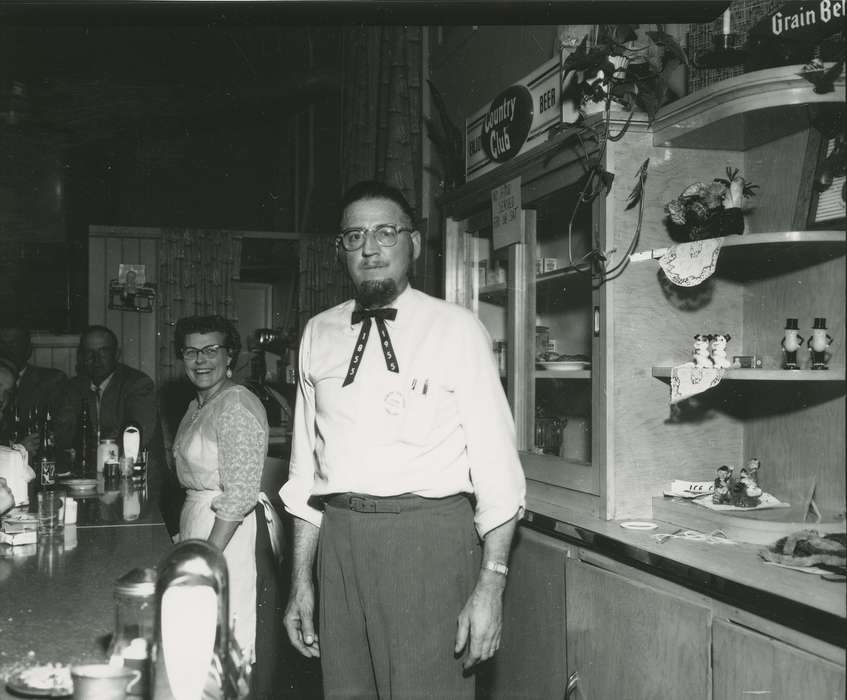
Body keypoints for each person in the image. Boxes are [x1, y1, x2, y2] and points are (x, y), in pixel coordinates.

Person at [280, 180, 526, 699]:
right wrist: (301, 581)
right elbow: (305, 475)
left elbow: (499, 473)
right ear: (341, 249)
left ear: (412, 243)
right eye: (353, 236)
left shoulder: (457, 329)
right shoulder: (317, 334)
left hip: (429, 544)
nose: (369, 248)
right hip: (340, 546)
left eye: (385, 232)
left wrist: (492, 583)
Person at [171, 314, 268, 662]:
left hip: (226, 534)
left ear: (230, 356)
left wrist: (208, 557)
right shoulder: (196, 405)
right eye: (190, 351)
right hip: (199, 525)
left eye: (211, 350)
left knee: (220, 646)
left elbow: (240, 493)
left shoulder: (236, 403)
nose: (200, 360)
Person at [52, 326, 158, 459]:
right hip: (89, 469)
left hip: (136, 469)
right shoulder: (73, 387)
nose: (96, 359)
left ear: (116, 354)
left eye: (103, 352)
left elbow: (135, 436)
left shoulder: (138, 384)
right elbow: (62, 434)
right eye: (89, 353)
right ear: (81, 357)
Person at [0, 327, 67, 448]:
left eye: (13, 344)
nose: (6, 350)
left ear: (28, 349)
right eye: (1, 343)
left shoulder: (52, 381)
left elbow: (59, 431)